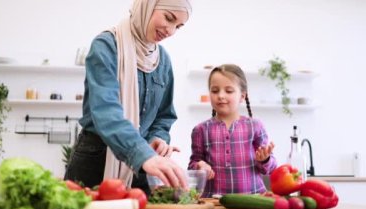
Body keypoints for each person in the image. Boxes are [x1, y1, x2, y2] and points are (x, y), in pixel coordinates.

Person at [64, 0, 192, 195]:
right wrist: (143, 154)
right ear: (147, 5)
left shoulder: (162, 59)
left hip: (142, 165)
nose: (171, 31)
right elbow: (106, 111)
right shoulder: (107, 45)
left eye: (178, 26)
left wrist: (157, 138)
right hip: (96, 158)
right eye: (169, 18)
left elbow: (164, 115)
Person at [188, 64, 277, 198]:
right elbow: (193, 164)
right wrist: (199, 166)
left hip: (253, 200)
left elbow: (270, 169)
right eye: (215, 90)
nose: (221, 96)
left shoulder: (255, 126)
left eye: (229, 91)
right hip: (214, 201)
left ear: (242, 96)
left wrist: (265, 160)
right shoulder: (200, 130)